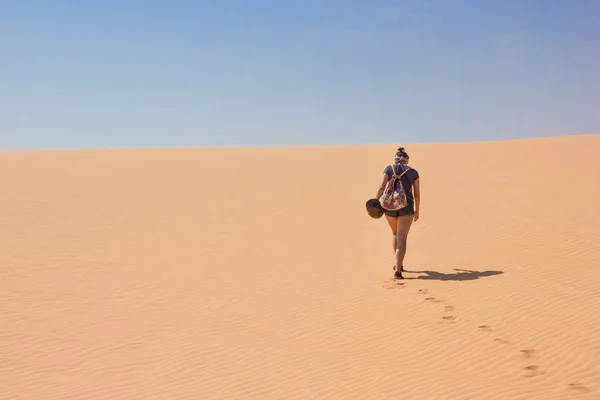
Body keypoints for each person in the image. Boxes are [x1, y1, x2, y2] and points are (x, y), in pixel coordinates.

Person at [375, 147, 420, 279]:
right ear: (407, 160)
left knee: (395, 234)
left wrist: (375, 202)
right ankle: (398, 270)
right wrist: (417, 210)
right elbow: (417, 194)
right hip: (407, 208)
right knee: (402, 238)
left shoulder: (389, 168)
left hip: (389, 207)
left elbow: (381, 187)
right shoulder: (413, 172)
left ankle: (398, 265)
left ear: (395, 159)